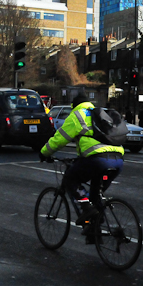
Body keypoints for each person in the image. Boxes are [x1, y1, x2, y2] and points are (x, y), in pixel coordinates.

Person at [38, 91, 124, 239]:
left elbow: (59, 139)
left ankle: (86, 209)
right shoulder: (101, 114)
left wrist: (44, 152)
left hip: (97, 160)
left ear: (74, 105)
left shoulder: (77, 115)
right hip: (118, 160)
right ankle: (93, 226)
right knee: (96, 195)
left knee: (71, 179)